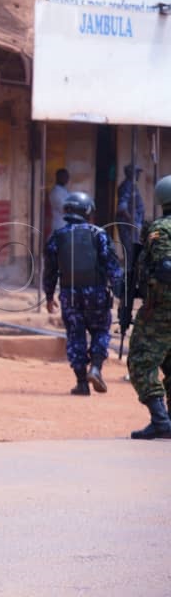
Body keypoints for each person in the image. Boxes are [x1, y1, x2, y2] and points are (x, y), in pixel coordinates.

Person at [43, 191, 123, 396]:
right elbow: (111, 266)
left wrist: (49, 295)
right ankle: (95, 368)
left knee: (75, 336)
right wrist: (121, 292)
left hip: (69, 295)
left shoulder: (57, 236)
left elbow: (50, 270)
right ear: (88, 212)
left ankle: (81, 383)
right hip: (97, 293)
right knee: (101, 331)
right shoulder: (99, 234)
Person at [125, 174, 171, 439]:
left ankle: (160, 420)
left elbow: (165, 268)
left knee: (141, 360)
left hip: (161, 309)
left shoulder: (160, 229)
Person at [117, 164, 146, 251]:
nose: (138, 175)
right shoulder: (127, 185)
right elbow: (122, 208)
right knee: (130, 251)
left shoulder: (132, 185)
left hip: (133, 223)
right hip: (128, 224)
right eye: (136, 173)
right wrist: (131, 222)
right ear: (130, 173)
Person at [49, 168, 70, 238]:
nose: (67, 179)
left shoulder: (64, 190)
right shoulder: (56, 192)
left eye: (67, 177)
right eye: (64, 177)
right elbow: (64, 209)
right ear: (58, 177)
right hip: (60, 224)